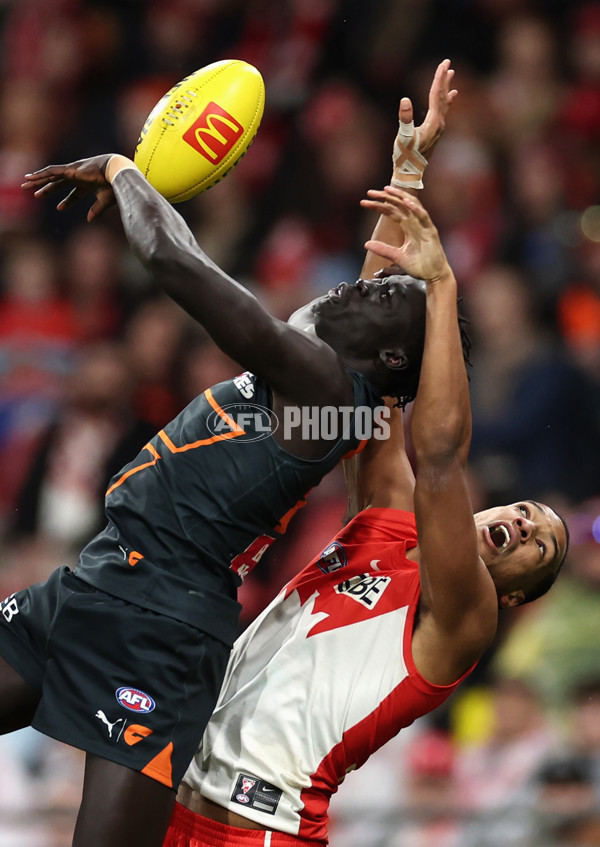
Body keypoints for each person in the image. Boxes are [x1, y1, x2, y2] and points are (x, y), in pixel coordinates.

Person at [0, 62, 457, 847]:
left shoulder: (319, 380)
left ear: (387, 366)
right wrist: (408, 168)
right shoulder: (331, 379)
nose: (362, 283)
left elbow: (175, 262)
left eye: (383, 299)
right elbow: (370, 291)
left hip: (162, 633)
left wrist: (124, 170)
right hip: (100, 578)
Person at [163, 185, 569, 846]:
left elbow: (440, 456)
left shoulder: (467, 616)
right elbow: (364, 349)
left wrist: (441, 286)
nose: (525, 525)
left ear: (517, 588)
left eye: (539, 544)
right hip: (176, 787)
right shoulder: (387, 518)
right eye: (527, 512)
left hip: (256, 827)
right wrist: (405, 180)